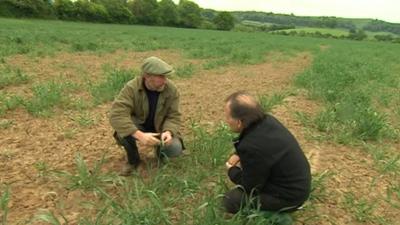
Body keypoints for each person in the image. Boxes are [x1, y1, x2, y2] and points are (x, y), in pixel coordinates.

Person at [223, 91, 311, 214]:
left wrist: (232, 170)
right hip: (298, 185)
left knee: (231, 200)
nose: (226, 120)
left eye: (228, 117)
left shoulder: (251, 146)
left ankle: (275, 217)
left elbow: (251, 186)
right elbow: (258, 146)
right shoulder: (267, 121)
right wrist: (238, 154)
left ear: (239, 122)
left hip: (289, 198)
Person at [109, 56, 183, 176]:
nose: (165, 80)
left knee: (174, 148)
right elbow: (117, 114)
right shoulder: (131, 88)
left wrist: (168, 131)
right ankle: (133, 161)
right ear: (147, 76)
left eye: (165, 76)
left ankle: (160, 156)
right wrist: (139, 135)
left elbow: (173, 115)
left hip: (160, 128)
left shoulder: (171, 89)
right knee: (122, 133)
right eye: (161, 76)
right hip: (139, 126)